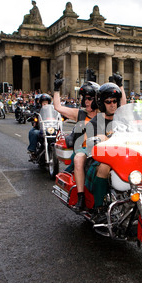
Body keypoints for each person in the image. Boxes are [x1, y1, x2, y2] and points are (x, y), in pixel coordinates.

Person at [53, 74, 101, 212]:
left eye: (90, 99)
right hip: (83, 150)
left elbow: (122, 107)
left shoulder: (103, 113)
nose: (86, 102)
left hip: (101, 149)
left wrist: (119, 86)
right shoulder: (79, 114)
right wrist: (56, 89)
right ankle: (81, 197)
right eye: (85, 99)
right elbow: (57, 107)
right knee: (79, 159)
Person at [84, 82, 126, 213]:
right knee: (105, 167)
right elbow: (87, 140)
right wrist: (101, 139)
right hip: (99, 157)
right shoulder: (96, 121)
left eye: (115, 101)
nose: (112, 104)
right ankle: (99, 206)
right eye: (108, 101)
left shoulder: (123, 119)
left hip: (122, 155)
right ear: (102, 103)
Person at [27, 93, 51, 160]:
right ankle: (33, 151)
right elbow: (32, 114)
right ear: (41, 103)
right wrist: (32, 116)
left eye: (46, 102)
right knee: (33, 133)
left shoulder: (52, 110)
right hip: (39, 129)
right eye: (43, 102)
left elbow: (57, 115)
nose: (45, 104)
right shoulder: (37, 110)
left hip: (50, 129)